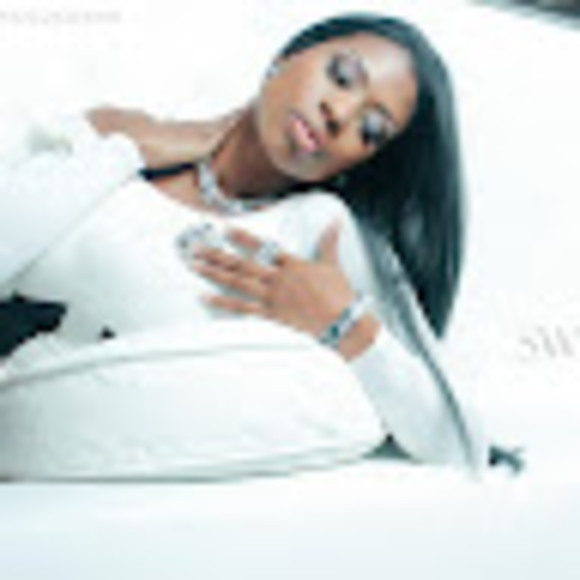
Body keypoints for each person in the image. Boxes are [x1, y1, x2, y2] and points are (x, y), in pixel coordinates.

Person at [0, 13, 494, 475]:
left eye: (370, 130)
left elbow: (460, 444)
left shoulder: (321, 231)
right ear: (285, 58)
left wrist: (346, 324)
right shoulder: (122, 145)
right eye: (341, 76)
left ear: (362, 161)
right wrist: (122, 152)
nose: (339, 113)